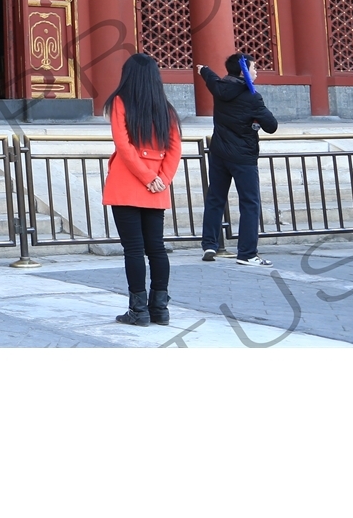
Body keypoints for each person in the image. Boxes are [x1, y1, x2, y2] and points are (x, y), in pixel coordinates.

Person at [103, 52, 182, 325]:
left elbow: (123, 145)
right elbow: (175, 148)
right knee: (156, 248)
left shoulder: (120, 102)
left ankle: (138, 311)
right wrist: (162, 178)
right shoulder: (166, 108)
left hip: (128, 182)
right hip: (157, 185)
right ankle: (160, 308)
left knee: (134, 250)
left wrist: (147, 177)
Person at [198, 52, 279, 266]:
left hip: (219, 153)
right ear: (244, 70)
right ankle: (247, 253)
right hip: (243, 156)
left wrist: (203, 69)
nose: (256, 71)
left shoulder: (220, 88)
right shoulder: (252, 97)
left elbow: (210, 77)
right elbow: (271, 125)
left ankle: (209, 244)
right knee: (250, 203)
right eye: (253, 67)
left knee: (215, 198)